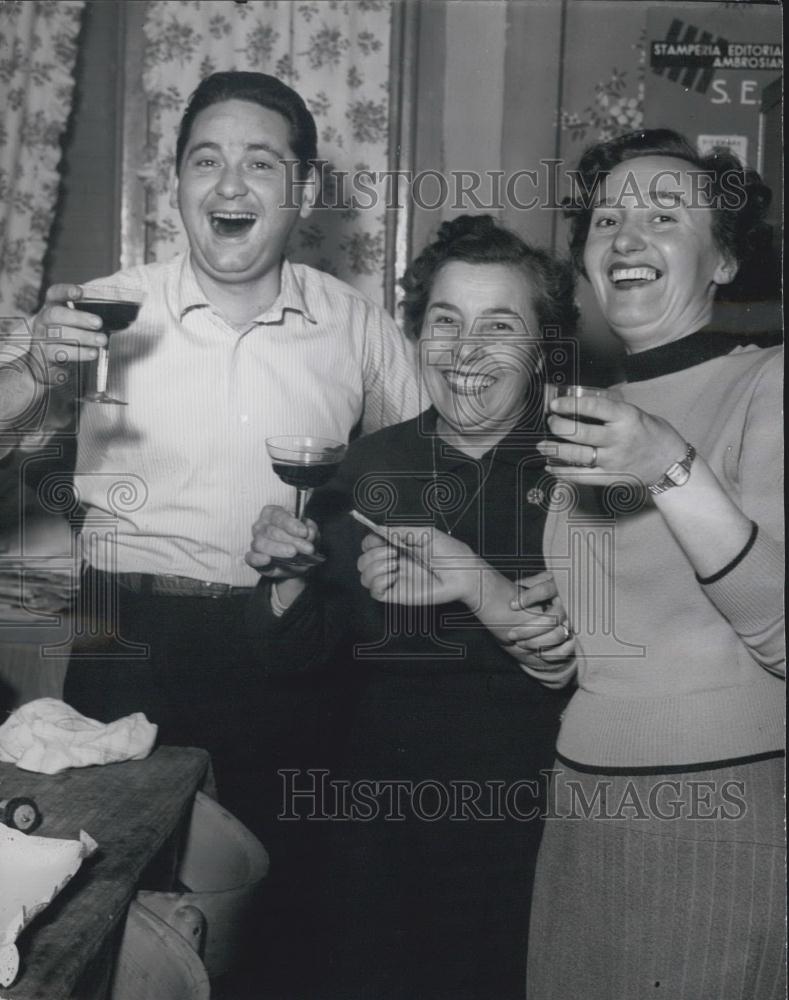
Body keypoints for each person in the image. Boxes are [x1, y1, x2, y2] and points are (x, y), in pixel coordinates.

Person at [0, 71, 421, 829]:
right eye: (205, 160)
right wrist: (31, 371)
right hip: (122, 636)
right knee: (112, 883)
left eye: (259, 161)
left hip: (291, 643)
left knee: (283, 903)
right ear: (176, 181)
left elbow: (430, 474)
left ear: (303, 184)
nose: (229, 185)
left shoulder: (356, 327)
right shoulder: (102, 307)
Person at [246, 214, 577, 999]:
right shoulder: (367, 462)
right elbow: (296, 658)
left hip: (534, 824)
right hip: (376, 826)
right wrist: (286, 577)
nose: (464, 352)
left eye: (498, 326)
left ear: (542, 347)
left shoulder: (586, 471)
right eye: (444, 323)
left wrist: (475, 579)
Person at [525, 129, 784, 999]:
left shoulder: (768, 383)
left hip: (716, 802)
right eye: (607, 220)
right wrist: (541, 626)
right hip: (582, 793)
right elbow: (622, 623)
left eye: (664, 217)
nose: (626, 238)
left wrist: (669, 468)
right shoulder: (596, 408)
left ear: (721, 259)